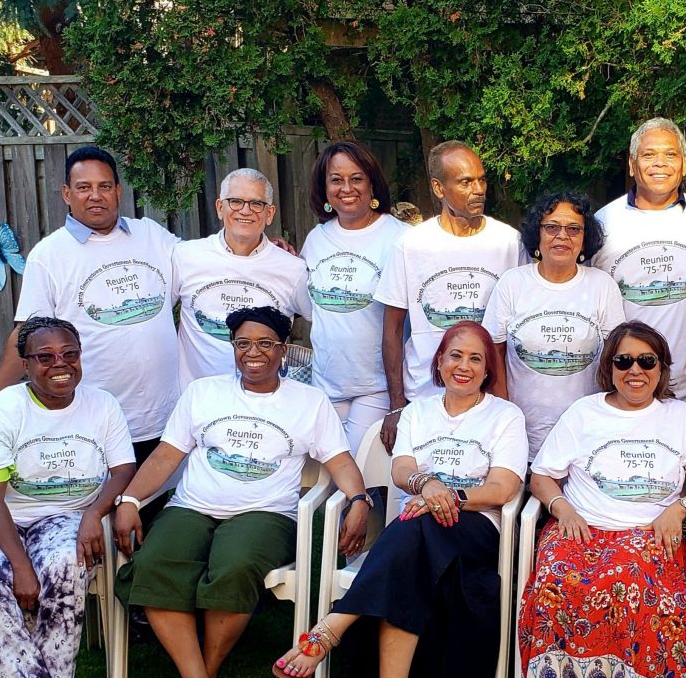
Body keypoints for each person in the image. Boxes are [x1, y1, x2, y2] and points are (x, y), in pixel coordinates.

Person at [272, 321, 527, 678]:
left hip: (477, 530)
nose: (462, 366)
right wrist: (427, 485)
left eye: (475, 359)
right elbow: (401, 468)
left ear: (488, 370)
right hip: (418, 530)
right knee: (411, 555)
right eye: (454, 356)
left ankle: (331, 629)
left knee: (414, 529)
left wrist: (450, 497)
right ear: (439, 362)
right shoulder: (418, 412)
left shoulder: (505, 416)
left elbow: (503, 487)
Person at [113, 306, 369, 678]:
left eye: (266, 344)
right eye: (244, 343)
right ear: (233, 348)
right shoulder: (202, 393)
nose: (254, 352)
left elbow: (339, 460)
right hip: (192, 505)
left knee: (232, 568)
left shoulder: (309, 402)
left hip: (264, 514)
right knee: (156, 564)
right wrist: (129, 500)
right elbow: (166, 455)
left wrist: (358, 498)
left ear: (283, 350)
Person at [517, 321, 686, 678]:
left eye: (647, 361)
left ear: (662, 368)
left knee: (642, 589)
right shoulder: (584, 413)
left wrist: (679, 508)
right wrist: (561, 507)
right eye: (624, 360)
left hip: (651, 535)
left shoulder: (680, 418)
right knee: (557, 583)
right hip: (584, 528)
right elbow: (542, 475)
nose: (636, 370)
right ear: (609, 367)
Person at [0, 317, 135, 678]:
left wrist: (93, 514)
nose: (59, 364)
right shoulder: (3, 410)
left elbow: (123, 469)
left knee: (66, 563)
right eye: (45, 357)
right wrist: (20, 566)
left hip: (67, 514)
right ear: (25, 364)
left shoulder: (102, 404)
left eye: (69, 354)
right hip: (4, 512)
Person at [0, 147, 179, 470]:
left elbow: (206, 261)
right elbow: (26, 334)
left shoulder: (151, 235)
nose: (95, 196)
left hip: (164, 422)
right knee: (104, 514)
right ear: (67, 193)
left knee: (157, 515)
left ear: (118, 191)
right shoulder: (50, 255)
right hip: (94, 424)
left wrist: (263, 247)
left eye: (105, 186)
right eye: (84, 187)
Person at [374, 141, 524, 451]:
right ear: (439, 188)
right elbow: (391, 332)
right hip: (426, 397)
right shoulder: (411, 245)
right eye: (466, 182)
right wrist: (397, 404)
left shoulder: (508, 242)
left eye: (482, 179)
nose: (479, 189)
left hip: (489, 400)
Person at [592, 117, 686, 403]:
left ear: (684, 163)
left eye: (670, 154)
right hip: (621, 387)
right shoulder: (602, 224)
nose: (660, 163)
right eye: (649, 155)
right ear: (632, 165)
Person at [482, 190, 624, 456]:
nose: (562, 236)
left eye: (573, 229)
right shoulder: (513, 284)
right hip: (523, 430)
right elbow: (495, 352)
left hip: (588, 432)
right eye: (551, 227)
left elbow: (615, 356)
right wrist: (505, 414)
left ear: (585, 238)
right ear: (538, 234)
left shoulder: (602, 285)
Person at [298, 141, 411, 453]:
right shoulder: (317, 238)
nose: (346, 188)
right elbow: (310, 306)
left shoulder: (400, 238)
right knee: (333, 470)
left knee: (355, 472)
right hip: (326, 382)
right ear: (325, 189)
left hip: (375, 386)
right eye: (336, 179)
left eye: (356, 178)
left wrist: (397, 400)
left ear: (372, 183)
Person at [173, 168, 309, 385]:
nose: (246, 211)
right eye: (235, 201)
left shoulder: (293, 270)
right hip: (199, 401)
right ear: (220, 207)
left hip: (264, 402)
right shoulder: (185, 256)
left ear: (270, 213)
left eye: (256, 203)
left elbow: (327, 323)